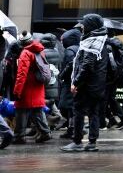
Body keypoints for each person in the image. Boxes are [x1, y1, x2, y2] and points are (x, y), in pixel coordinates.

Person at [61, 14, 110, 152]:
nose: (82, 27)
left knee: (78, 111)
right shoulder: (102, 41)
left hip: (86, 86)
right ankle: (92, 143)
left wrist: (75, 82)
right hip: (98, 85)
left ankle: (77, 142)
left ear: (91, 25)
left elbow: (87, 65)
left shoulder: (91, 41)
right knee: (94, 113)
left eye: (84, 24)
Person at [11, 32, 51, 144]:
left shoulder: (26, 53)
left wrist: (17, 90)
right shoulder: (39, 50)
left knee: (21, 111)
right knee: (37, 110)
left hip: (27, 86)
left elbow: (21, 74)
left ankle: (19, 136)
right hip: (38, 84)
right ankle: (45, 132)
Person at [57, 28, 82, 138]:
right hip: (77, 81)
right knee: (72, 106)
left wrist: (62, 75)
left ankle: (72, 129)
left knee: (66, 106)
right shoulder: (79, 48)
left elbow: (70, 65)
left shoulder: (69, 51)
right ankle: (73, 128)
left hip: (69, 82)